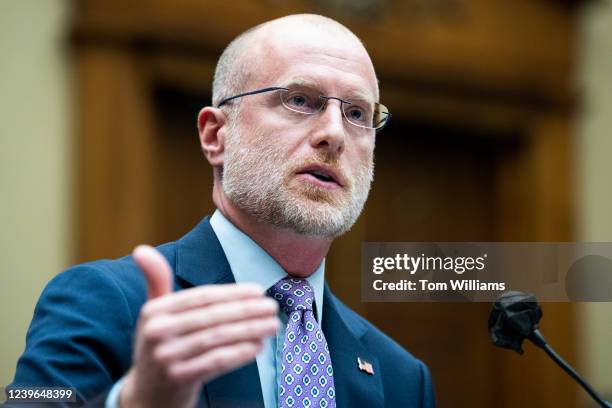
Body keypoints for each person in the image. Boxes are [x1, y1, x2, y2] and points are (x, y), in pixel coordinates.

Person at [8, 14, 435, 408]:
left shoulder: (402, 377)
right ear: (216, 135)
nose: (334, 134)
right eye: (301, 101)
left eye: (357, 112)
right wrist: (135, 401)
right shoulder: (101, 300)